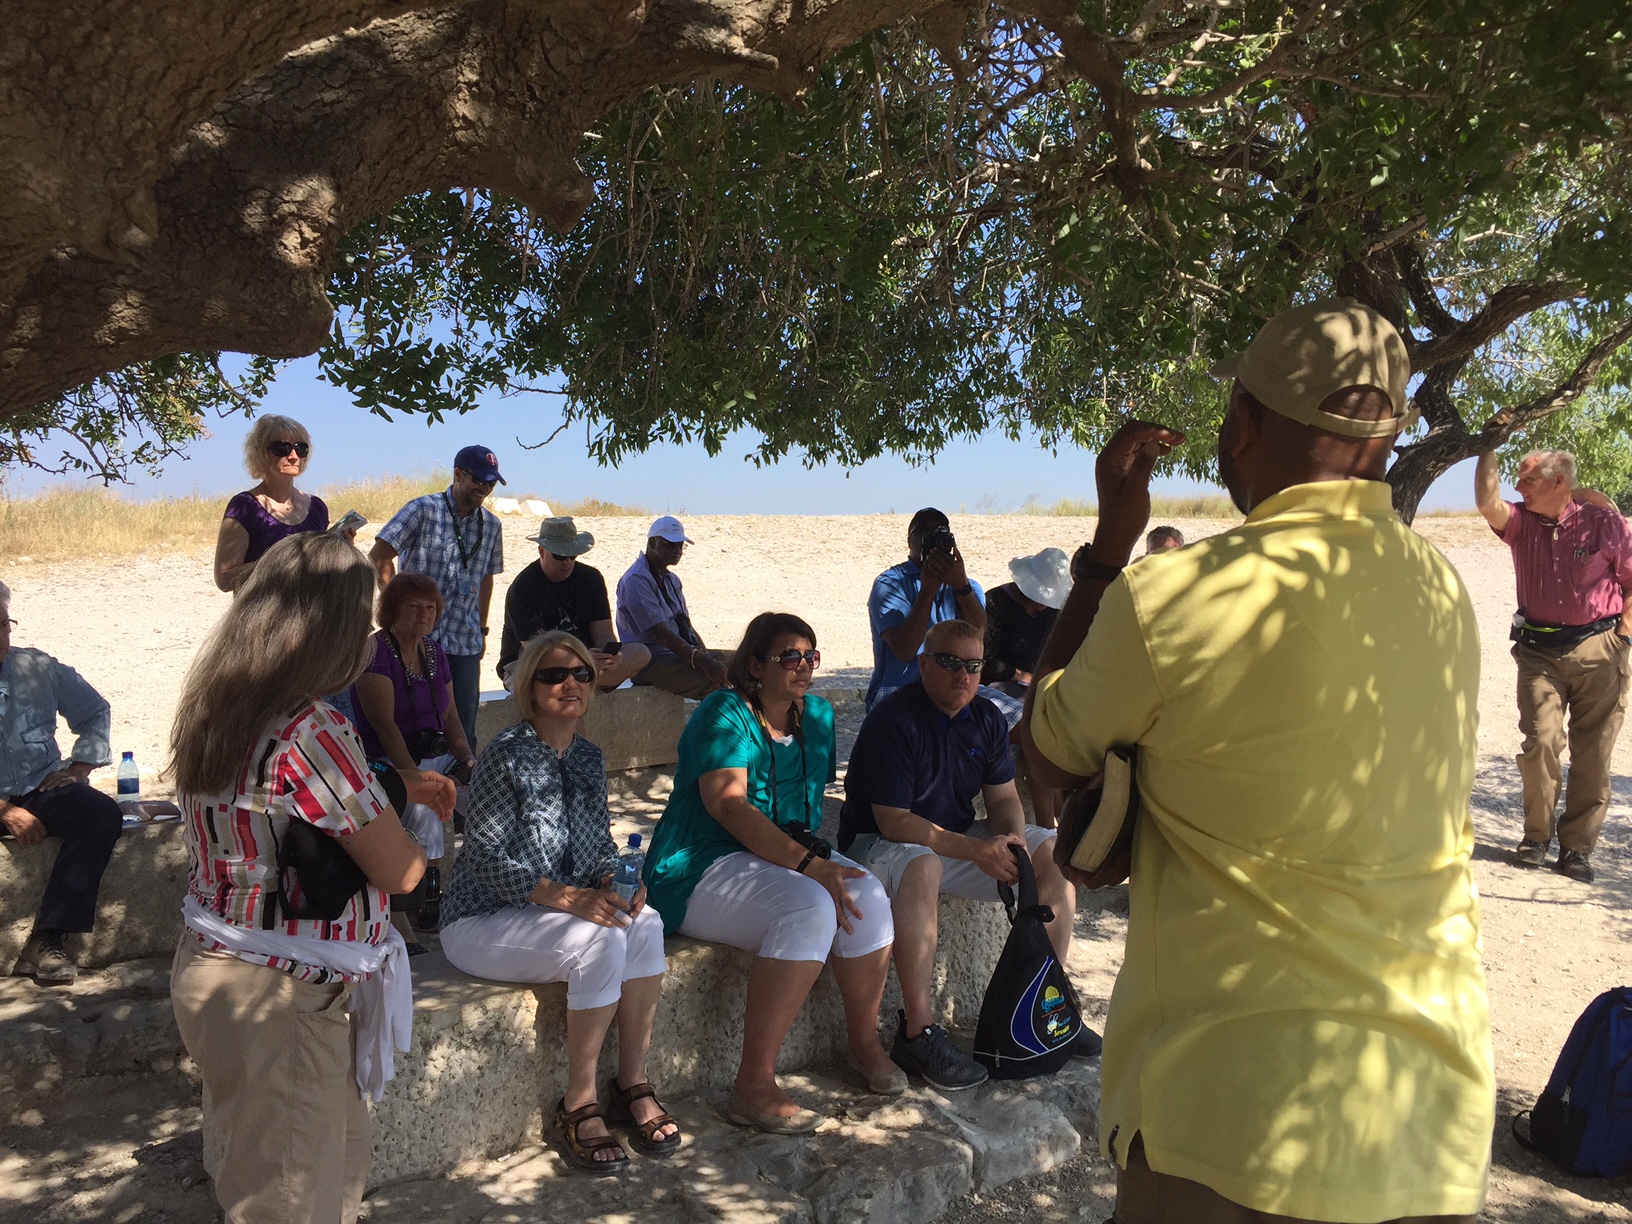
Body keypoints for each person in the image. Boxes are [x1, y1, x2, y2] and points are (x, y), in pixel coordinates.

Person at [1021, 299, 1493, 1223]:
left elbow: (1045, 753)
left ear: (1243, 426)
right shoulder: (1444, 591)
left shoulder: (1182, 591)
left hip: (1230, 1112)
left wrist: (1107, 550)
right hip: (1428, 1106)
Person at [169, 532, 450, 1223]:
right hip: (282, 996)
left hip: (219, 965)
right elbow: (401, 871)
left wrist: (389, 786)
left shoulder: (215, 709)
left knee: (299, 1176)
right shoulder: (313, 728)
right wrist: (416, 823)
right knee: (293, 1200)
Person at [642, 613, 901, 1131]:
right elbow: (729, 807)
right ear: (756, 665)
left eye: (810, 656)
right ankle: (753, 1083)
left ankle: (863, 1041)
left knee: (868, 893)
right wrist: (811, 868)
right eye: (789, 656)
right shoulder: (725, 712)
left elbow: (804, 808)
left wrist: (817, 862)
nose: (803, 666)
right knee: (807, 907)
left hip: (778, 854)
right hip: (702, 861)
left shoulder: (818, 718)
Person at [440, 631, 679, 1173]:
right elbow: (483, 857)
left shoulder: (589, 756)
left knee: (644, 923)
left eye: (581, 674)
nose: (569, 684)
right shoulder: (505, 756)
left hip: (550, 913)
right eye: (553, 675)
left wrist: (616, 880)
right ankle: (579, 1103)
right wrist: (569, 899)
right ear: (529, 687)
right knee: (598, 940)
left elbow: (597, 844)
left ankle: (633, 1080)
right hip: (483, 915)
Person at [840, 619, 1088, 1091]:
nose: (963, 676)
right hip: (877, 847)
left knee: (1049, 851)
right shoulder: (894, 719)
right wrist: (976, 849)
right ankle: (918, 1031)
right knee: (922, 863)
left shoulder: (987, 717)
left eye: (973, 665)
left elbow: (1003, 800)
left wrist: (1011, 843)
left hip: (949, 841)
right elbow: (894, 821)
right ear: (924, 664)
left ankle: (1048, 1003)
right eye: (950, 663)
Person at [1475, 446, 1632, 884]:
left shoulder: (1603, 523)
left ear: (1558, 481)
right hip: (1539, 652)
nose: (1518, 488)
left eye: (1527, 480)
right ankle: (1536, 838)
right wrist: (1487, 445)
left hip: (1600, 649)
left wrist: (1624, 634)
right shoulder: (1521, 523)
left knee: (1594, 754)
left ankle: (1577, 850)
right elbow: (1488, 502)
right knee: (1541, 742)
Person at [0, 582, 120, 985]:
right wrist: (4, 811)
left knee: (100, 814)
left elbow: (94, 709)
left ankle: (47, 939)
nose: (1, 638)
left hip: (37, 786)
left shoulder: (36, 667)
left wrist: (80, 767)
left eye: (4, 626)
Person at [350, 571, 477, 950]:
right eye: (414, 607)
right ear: (391, 611)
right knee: (424, 809)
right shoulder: (375, 652)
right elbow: (383, 724)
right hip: (388, 763)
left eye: (431, 607)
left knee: (488, 793)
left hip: (435, 756)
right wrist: (414, 776)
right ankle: (424, 897)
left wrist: (468, 759)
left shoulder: (435, 653)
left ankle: (481, 891)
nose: (425, 614)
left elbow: (452, 716)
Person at [370, 446, 506, 746]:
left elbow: (486, 579)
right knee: (409, 725)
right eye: (479, 480)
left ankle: (461, 788)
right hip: (413, 638)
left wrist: (482, 630)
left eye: (491, 483)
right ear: (457, 474)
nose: (484, 488)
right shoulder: (422, 510)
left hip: (463, 640)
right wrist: (397, 607)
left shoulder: (493, 526)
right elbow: (379, 556)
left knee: (463, 729)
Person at [496, 516, 651, 691]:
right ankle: (581, 680)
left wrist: (610, 656)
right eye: (560, 556)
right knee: (547, 675)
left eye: (572, 555)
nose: (567, 562)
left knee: (640, 653)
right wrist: (579, 660)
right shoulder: (523, 587)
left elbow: (603, 632)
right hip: (532, 662)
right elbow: (535, 649)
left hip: (586, 662)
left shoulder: (591, 579)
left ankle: (581, 679)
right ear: (541, 551)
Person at [865, 508, 987, 710]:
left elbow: (978, 637)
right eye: (924, 533)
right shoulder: (890, 583)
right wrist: (928, 591)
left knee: (1017, 715)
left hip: (956, 684)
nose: (932, 540)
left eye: (941, 533)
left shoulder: (968, 587)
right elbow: (905, 650)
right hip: (901, 687)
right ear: (910, 541)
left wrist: (961, 586)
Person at [213, 414, 331, 593]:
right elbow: (225, 579)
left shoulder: (317, 507)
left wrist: (340, 547)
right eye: (282, 448)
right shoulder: (244, 507)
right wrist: (280, 561)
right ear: (261, 453)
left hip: (311, 616)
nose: (293, 456)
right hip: (261, 616)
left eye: (301, 448)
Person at [614, 516, 729, 699]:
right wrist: (703, 662)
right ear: (652, 543)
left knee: (732, 664)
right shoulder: (636, 580)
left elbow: (685, 624)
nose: (677, 550)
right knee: (717, 681)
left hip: (674, 656)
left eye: (680, 546)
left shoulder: (672, 580)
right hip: (650, 662)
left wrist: (705, 655)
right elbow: (662, 634)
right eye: (669, 545)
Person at [981, 548, 1071, 694]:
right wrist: (1025, 677)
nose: (1044, 603)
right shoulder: (995, 603)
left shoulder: (1052, 610)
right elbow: (988, 661)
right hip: (1003, 683)